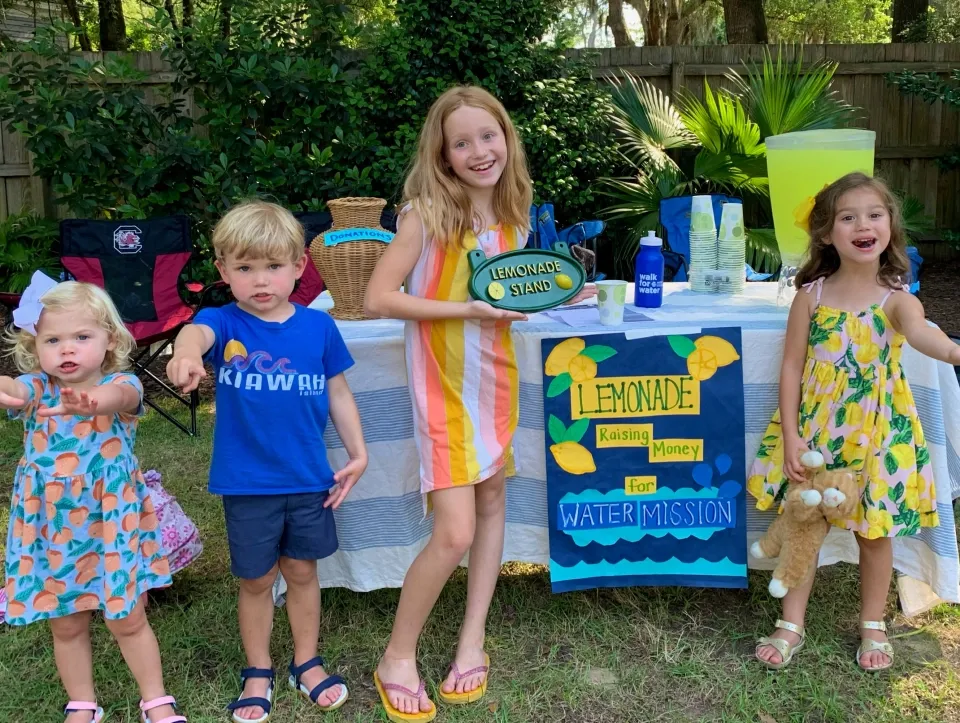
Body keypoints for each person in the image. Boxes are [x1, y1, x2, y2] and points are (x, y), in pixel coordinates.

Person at [365, 85, 594, 721]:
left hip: (494, 379)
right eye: (461, 142)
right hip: (442, 387)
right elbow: (381, 298)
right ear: (441, 154)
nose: (478, 150)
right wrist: (464, 309)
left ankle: (472, 641)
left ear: (506, 138)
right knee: (456, 530)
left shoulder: (516, 214)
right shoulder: (425, 214)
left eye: (488, 136)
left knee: (492, 502)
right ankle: (397, 657)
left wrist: (559, 294)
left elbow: (508, 296)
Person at [748, 172, 960, 672]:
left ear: (889, 226)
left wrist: (954, 351)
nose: (863, 225)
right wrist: (794, 438)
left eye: (874, 214)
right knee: (805, 524)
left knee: (875, 534)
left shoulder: (897, 299)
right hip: (818, 434)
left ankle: (873, 624)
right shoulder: (812, 296)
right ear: (826, 233)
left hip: (879, 438)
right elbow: (791, 366)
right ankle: (790, 622)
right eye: (848, 217)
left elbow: (921, 334)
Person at [165, 200, 368, 722]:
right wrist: (185, 356)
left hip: (308, 479)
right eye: (245, 268)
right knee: (256, 579)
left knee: (302, 570)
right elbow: (195, 334)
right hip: (248, 482)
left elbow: (339, 392)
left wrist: (359, 452)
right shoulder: (223, 322)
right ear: (224, 271)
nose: (261, 280)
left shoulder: (318, 329)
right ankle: (258, 669)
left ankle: (307, 660)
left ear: (300, 267)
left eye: (273, 267)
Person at [1, 275, 185, 723]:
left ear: (109, 340)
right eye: (53, 339)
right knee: (65, 621)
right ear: (34, 346)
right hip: (52, 527)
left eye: (81, 337)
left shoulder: (123, 385)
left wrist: (90, 402)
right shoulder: (38, 389)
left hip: (111, 522)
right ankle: (82, 702)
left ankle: (155, 698)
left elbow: (116, 396)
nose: (67, 349)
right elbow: (14, 390)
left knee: (128, 617)